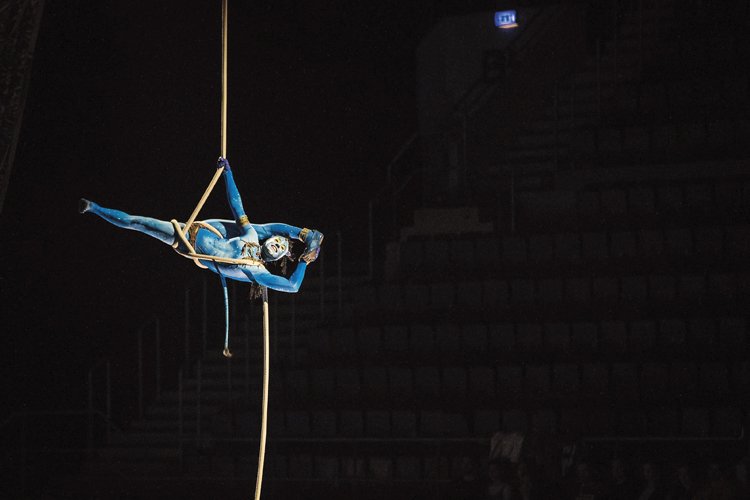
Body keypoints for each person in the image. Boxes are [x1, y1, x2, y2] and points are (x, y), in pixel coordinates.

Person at [80, 157, 323, 293]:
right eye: (278, 240)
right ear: (269, 238)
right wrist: (227, 173)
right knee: (138, 221)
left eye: (281, 248)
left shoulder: (257, 272)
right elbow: (237, 206)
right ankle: (94, 207)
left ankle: (95, 209)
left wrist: (303, 261)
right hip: (194, 230)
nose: (278, 243)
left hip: (187, 244)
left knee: (139, 226)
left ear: (274, 258)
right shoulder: (250, 233)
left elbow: (293, 286)